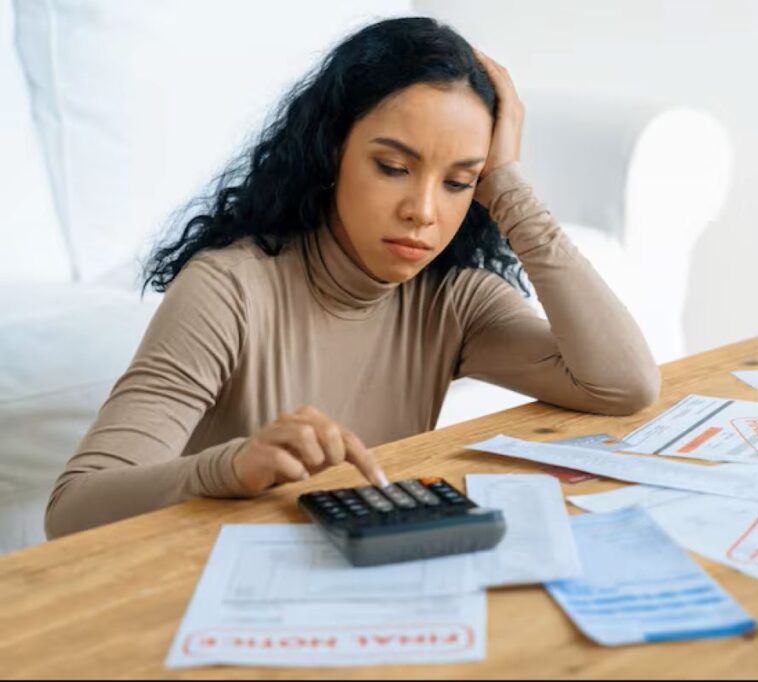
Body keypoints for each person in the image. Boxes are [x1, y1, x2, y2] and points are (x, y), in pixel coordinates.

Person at [45, 17, 660, 539]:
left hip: (367, 573)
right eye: (393, 167)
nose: (423, 210)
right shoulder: (228, 288)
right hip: (214, 584)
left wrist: (507, 187)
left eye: (458, 182)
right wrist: (227, 467)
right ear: (330, 151)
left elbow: (624, 384)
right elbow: (72, 509)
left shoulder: (453, 297)